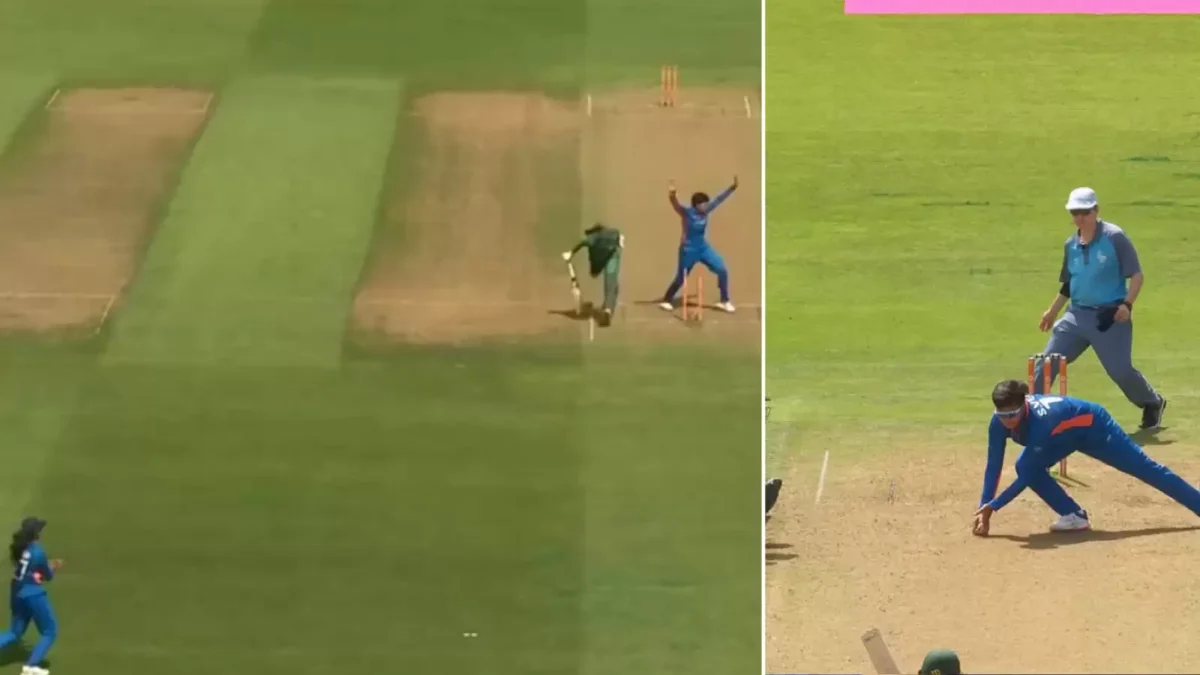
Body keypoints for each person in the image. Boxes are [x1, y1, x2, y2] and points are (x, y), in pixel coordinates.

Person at [972, 380, 1200, 535]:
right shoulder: (998, 423)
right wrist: (984, 507)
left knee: (1145, 468)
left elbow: (1028, 478)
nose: (1007, 421)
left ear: (1023, 405)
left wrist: (995, 506)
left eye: (1012, 414)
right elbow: (994, 464)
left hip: (1095, 429)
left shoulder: (1042, 423)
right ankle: (1073, 515)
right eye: (1001, 415)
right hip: (1062, 437)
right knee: (1025, 465)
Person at [1036, 186, 1166, 430]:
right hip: (1075, 316)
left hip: (1110, 317)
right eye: (1075, 213)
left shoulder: (1114, 237)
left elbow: (1136, 275)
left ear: (1096, 210)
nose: (1079, 218)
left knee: (1120, 371)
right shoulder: (1070, 244)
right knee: (1046, 363)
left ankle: (1151, 402)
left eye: (1084, 212)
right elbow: (1069, 284)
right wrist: (1052, 311)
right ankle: (1034, 414)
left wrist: (1127, 304)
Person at [657, 177, 739, 314]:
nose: (706, 206)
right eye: (703, 204)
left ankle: (724, 301)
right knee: (681, 277)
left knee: (722, 270)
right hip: (688, 250)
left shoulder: (706, 211)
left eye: (707, 204)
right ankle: (667, 300)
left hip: (703, 248)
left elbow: (719, 199)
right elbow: (675, 204)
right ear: (696, 205)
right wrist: (672, 194)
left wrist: (732, 188)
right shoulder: (687, 213)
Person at [0, 517, 61, 675]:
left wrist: (36, 574)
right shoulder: (38, 552)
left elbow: (26, 570)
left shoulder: (21, 549)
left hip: (16, 591)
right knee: (49, 631)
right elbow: (48, 576)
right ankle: (31, 666)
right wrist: (53, 567)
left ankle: (31, 666)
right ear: (36, 533)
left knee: (14, 632)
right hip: (33, 594)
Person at [562, 223, 624, 326]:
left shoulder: (591, 238)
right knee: (611, 282)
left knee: (609, 282)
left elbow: (581, 243)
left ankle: (607, 309)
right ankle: (608, 309)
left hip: (610, 255)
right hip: (611, 255)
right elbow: (620, 238)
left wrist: (570, 253)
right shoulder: (612, 233)